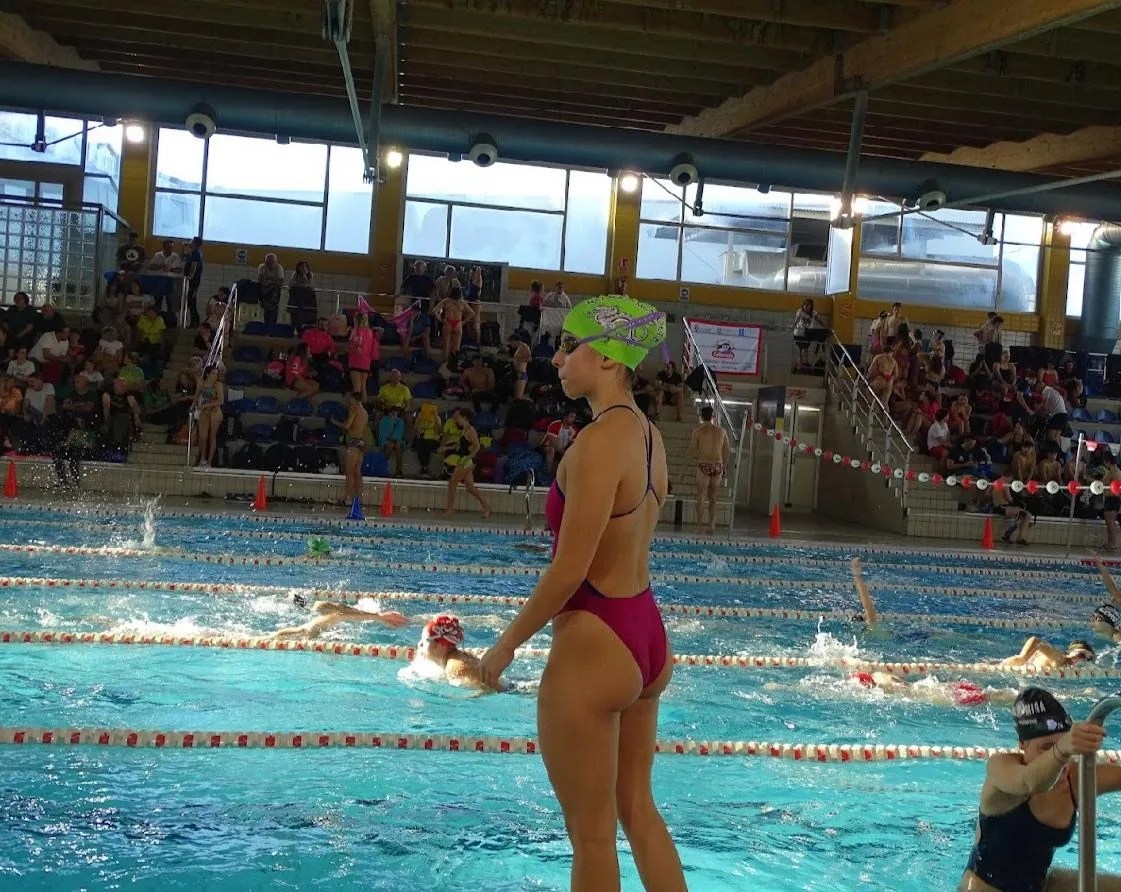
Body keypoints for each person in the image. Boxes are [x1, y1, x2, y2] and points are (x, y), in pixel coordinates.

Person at [479, 296, 686, 892]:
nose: (558, 360)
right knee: (638, 811)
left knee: (592, 836)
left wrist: (506, 646)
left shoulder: (597, 444)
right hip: (645, 634)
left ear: (610, 357)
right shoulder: (650, 437)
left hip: (595, 642)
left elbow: (570, 570)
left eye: (570, 346)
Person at [960, 687, 1121, 892]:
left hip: (1040, 885)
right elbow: (1031, 782)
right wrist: (1062, 748)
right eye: (1046, 747)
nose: (1063, 762)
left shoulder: (1075, 778)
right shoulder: (1001, 769)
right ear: (1023, 745)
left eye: (1065, 745)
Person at [413, 615, 506, 692]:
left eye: (426, 640)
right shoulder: (459, 656)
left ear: (442, 645)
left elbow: (487, 690)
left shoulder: (453, 668)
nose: (419, 644)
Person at [273, 596, 408, 639]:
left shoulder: (309, 629)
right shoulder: (308, 630)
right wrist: (379, 617)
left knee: (319, 606)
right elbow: (339, 615)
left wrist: (379, 617)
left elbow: (338, 615)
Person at [687, 405, 730, 534]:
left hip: (704, 465)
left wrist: (683, 470)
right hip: (717, 465)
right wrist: (724, 466)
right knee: (713, 498)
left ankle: (699, 526)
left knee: (701, 497)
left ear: (701, 417)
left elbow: (691, 450)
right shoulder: (722, 431)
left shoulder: (698, 432)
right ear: (713, 417)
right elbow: (727, 450)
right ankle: (712, 525)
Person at [441, 407, 491, 518]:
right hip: (465, 460)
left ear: (464, 418)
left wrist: (468, 458)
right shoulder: (464, 430)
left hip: (467, 461)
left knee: (452, 483)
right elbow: (459, 446)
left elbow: (477, 447)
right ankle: (487, 507)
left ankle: (449, 509)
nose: (457, 419)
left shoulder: (471, 431)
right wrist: (446, 448)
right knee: (469, 487)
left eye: (458, 417)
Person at [332, 391, 368, 507]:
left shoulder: (354, 409)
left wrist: (335, 422)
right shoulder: (365, 412)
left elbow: (347, 425)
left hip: (354, 442)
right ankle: (359, 499)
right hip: (361, 442)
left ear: (354, 399)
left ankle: (347, 498)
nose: (348, 402)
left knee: (349, 473)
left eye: (350, 399)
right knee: (357, 472)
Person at [192, 364, 223, 469]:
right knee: (203, 436)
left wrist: (206, 405)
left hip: (215, 410)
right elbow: (196, 396)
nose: (215, 376)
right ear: (207, 374)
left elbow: (220, 401)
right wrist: (194, 405)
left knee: (212, 436)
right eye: (213, 373)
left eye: (216, 374)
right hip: (204, 411)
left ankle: (209, 461)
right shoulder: (202, 383)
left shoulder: (218, 385)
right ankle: (202, 459)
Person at [999, 638, 1095, 670]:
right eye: (1081, 655)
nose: (1083, 660)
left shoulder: (1066, 668)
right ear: (1070, 651)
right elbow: (1035, 640)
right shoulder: (1058, 657)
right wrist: (1023, 658)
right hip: (1007, 667)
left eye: (1088, 659)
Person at [434, 285, 474, 359]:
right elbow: (472, 313)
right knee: (456, 348)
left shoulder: (446, 301)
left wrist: (440, 319)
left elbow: (434, 310)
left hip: (448, 323)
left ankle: (445, 363)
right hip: (458, 324)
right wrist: (463, 322)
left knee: (446, 347)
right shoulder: (462, 302)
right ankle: (455, 363)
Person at [347, 312, 377, 399]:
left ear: (356, 320)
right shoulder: (370, 332)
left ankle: (358, 407)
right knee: (363, 386)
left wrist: (350, 347)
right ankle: (363, 406)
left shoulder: (356, 330)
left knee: (357, 388)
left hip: (356, 361)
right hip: (366, 361)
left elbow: (354, 345)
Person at [543, 412, 580, 476]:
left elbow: (572, 445)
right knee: (551, 450)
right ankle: (547, 475)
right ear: (565, 417)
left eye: (574, 417)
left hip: (562, 450)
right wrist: (564, 452)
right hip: (547, 447)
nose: (573, 419)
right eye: (571, 417)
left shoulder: (574, 429)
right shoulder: (556, 424)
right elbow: (553, 443)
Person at [792, 299, 825, 368]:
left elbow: (819, 320)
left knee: (806, 349)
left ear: (811, 306)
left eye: (808, 306)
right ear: (803, 305)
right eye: (805, 305)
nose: (806, 307)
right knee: (800, 349)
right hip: (798, 333)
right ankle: (800, 363)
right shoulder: (800, 311)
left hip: (806, 332)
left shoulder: (813, 313)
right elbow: (796, 320)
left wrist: (825, 326)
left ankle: (805, 362)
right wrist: (793, 325)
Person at [257, 253, 285, 326]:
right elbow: (260, 280)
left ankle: (272, 326)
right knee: (264, 311)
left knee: (272, 312)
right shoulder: (262, 267)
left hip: (274, 294)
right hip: (263, 293)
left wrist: (269, 280)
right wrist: (271, 279)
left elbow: (280, 282)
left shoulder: (279, 268)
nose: (269, 264)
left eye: (272, 262)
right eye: (267, 262)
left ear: (275, 262)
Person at [378, 406, 406, 477]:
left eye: (396, 414)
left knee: (398, 445)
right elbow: (383, 433)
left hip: (397, 440)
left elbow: (399, 435)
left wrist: (394, 422)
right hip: (385, 440)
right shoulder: (384, 420)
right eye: (393, 413)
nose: (394, 415)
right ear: (389, 413)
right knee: (390, 444)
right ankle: (383, 466)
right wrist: (391, 422)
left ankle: (399, 469)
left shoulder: (400, 422)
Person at [183, 236, 204, 328]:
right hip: (192, 281)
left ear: (195, 244)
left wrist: (189, 277)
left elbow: (193, 267)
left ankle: (195, 322)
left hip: (193, 282)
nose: (190, 242)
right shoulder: (194, 253)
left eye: (191, 241)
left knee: (192, 302)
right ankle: (194, 321)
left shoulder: (196, 254)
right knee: (191, 302)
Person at [508, 333, 532, 401]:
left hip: (521, 374)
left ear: (514, 341)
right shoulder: (519, 347)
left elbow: (529, 359)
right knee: (516, 397)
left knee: (518, 397)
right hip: (518, 373)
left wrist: (517, 360)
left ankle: (531, 402)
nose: (510, 344)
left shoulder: (524, 346)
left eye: (511, 342)